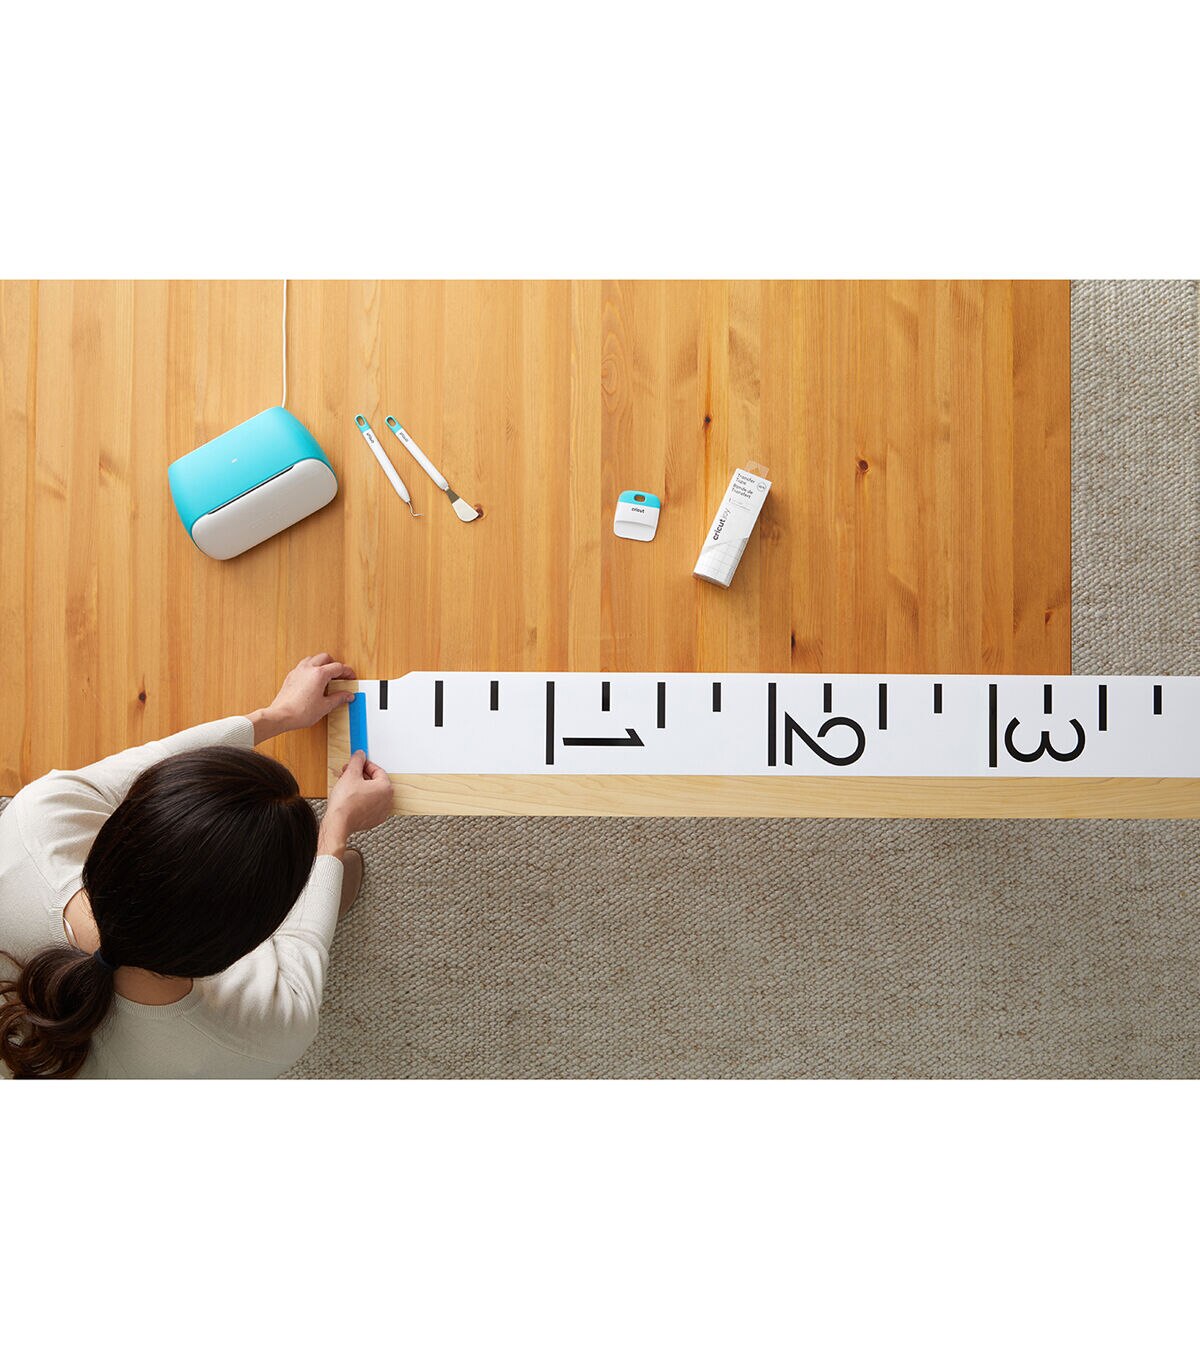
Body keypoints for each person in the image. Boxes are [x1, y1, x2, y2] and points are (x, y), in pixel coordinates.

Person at [0, 653, 393, 1079]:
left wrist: (277, 715)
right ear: (251, 937)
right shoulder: (263, 1030)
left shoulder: (35, 822)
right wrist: (335, 829)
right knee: (334, 876)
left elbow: (152, 762)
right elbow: (301, 944)